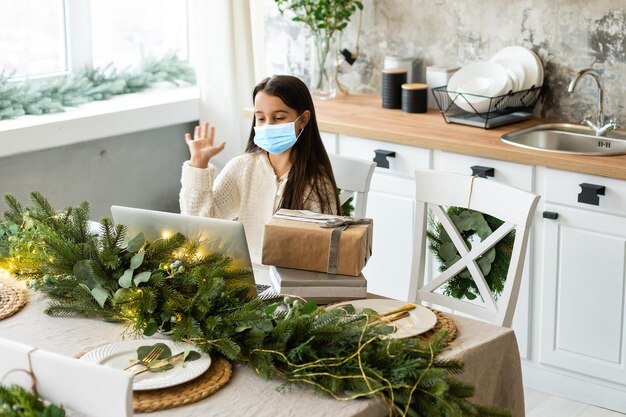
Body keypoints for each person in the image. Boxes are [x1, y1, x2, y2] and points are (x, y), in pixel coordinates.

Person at [179, 75, 341, 263]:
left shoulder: (316, 183)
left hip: (291, 287)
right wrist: (198, 164)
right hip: (241, 278)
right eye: (261, 118)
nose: (268, 126)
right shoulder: (242, 169)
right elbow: (199, 226)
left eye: (279, 118)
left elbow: (323, 252)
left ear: (303, 119)